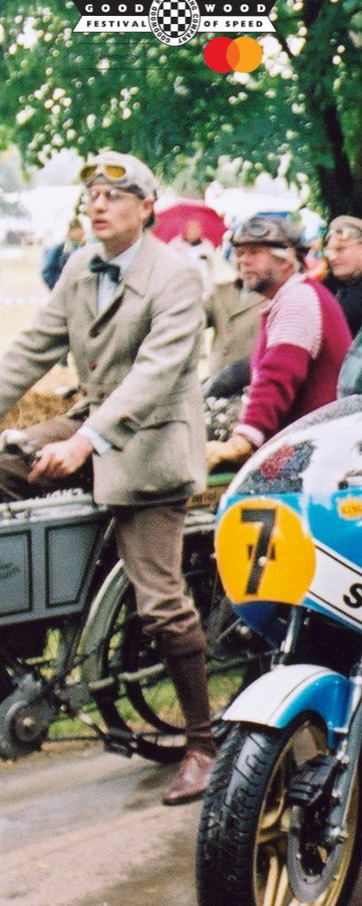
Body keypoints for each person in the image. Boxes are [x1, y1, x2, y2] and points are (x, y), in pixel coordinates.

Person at [0, 150, 214, 806]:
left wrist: (87, 440)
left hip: (151, 445)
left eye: (114, 196)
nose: (97, 203)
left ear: (146, 208)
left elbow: (155, 376)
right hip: (92, 424)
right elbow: (32, 347)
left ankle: (202, 742)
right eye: (91, 193)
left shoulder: (175, 277)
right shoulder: (78, 265)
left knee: (158, 598)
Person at [205, 215, 353, 471]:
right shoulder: (294, 296)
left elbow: (279, 376)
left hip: (313, 458)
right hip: (309, 451)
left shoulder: (297, 300)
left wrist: (242, 440)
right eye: (240, 252)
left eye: (255, 252)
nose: (243, 260)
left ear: (287, 259)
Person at [168, 217, 217, 298]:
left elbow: (212, 266)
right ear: (186, 229)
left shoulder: (207, 245)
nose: (198, 230)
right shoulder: (175, 245)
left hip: (204, 288)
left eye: (199, 227)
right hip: (181, 288)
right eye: (193, 227)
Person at [41, 218, 86, 290]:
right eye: (81, 229)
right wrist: (60, 288)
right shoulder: (58, 248)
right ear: (71, 230)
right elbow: (48, 272)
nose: (83, 232)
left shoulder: (81, 246)